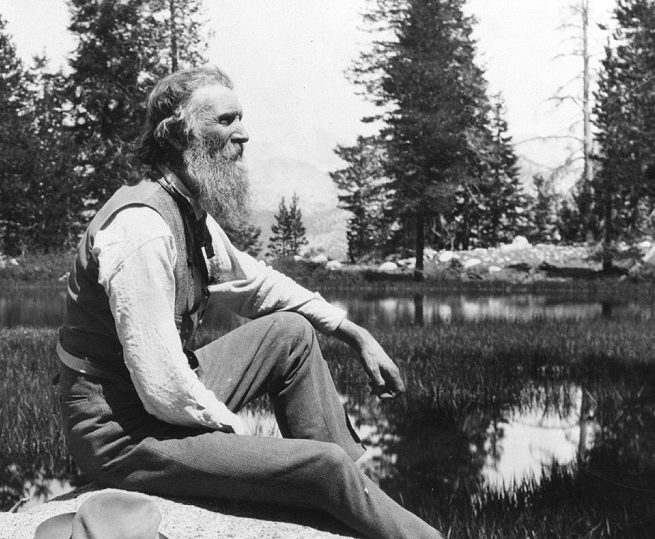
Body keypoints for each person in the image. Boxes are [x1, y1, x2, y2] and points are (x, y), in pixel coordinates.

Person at [56, 65, 442, 539]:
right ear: (177, 134)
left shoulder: (185, 207)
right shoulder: (142, 229)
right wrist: (247, 448)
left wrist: (353, 332)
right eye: (225, 120)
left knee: (291, 333)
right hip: (121, 433)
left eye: (240, 118)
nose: (242, 134)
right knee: (320, 464)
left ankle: (351, 492)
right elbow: (162, 386)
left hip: (152, 402)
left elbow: (255, 284)